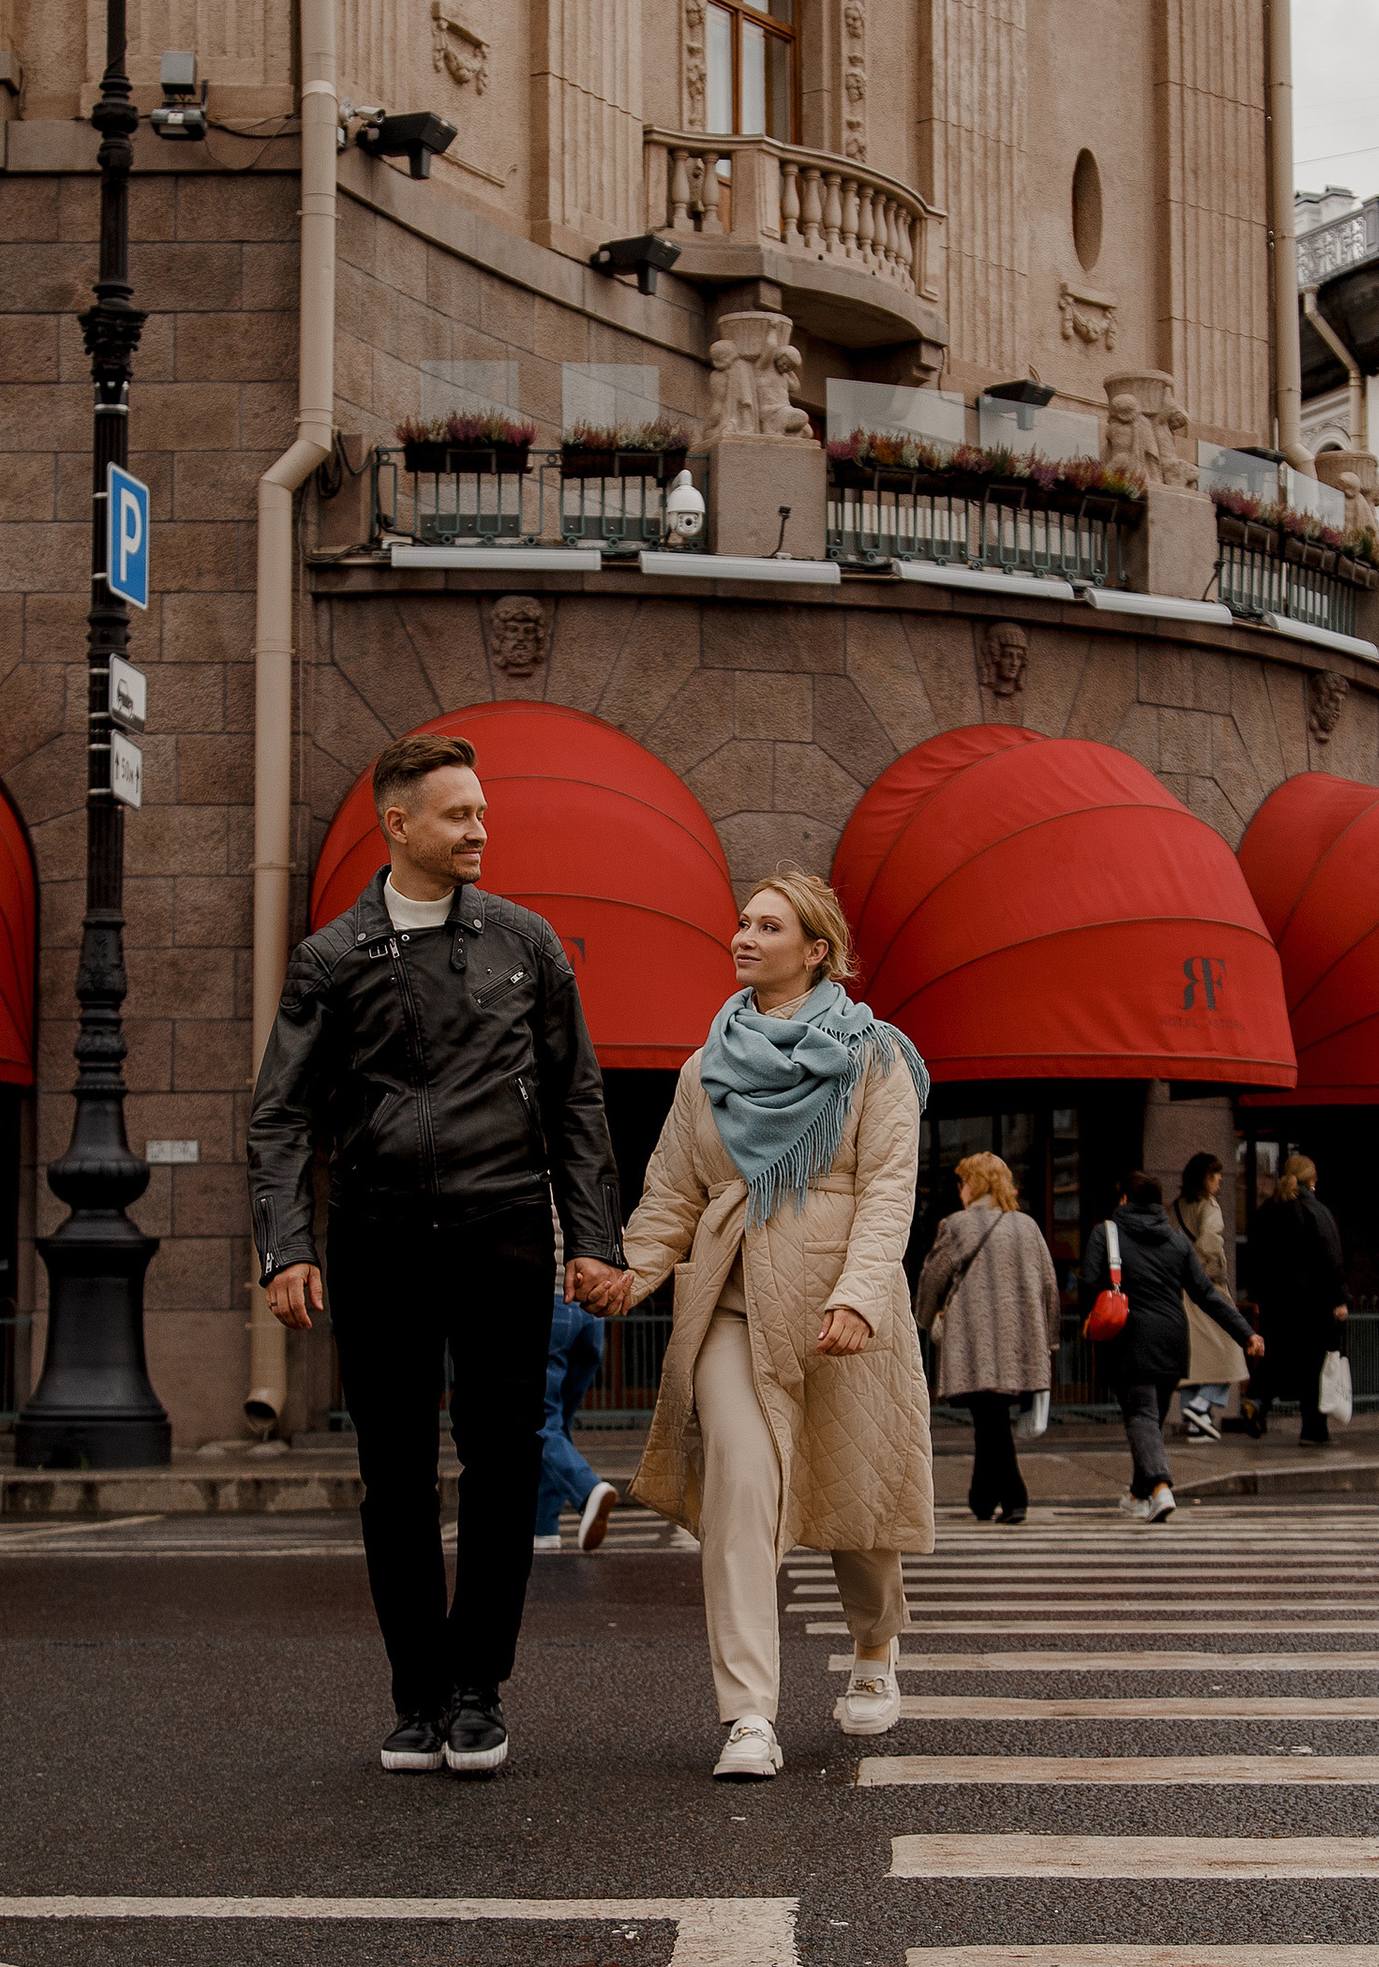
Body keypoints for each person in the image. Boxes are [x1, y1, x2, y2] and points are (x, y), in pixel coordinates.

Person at [247, 729, 629, 1779]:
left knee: (504, 1466)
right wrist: (285, 1246)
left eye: (482, 812)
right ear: (398, 822)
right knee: (395, 1475)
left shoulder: (525, 943)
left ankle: (478, 1691)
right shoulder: (332, 959)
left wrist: (592, 1242)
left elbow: (575, 1098)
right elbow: (279, 1117)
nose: (480, 830)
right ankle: (416, 1697)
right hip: (375, 1239)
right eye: (459, 815)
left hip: (503, 1228)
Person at [615, 871, 934, 1779]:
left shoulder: (876, 1059)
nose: (744, 938)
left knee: (857, 1506)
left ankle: (875, 1649)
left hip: (840, 1304)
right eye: (742, 923)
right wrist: (627, 1276)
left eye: (769, 925)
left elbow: (885, 1190)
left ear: (817, 950)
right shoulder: (704, 1066)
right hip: (728, 1298)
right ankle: (748, 1715)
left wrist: (860, 1296)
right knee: (740, 1491)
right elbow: (672, 1192)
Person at [1096, 1168, 1262, 1522]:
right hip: (1174, 1342)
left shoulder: (1106, 1234)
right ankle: (1137, 1494)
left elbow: (1088, 1284)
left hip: (1129, 1339)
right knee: (1149, 1420)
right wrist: (1245, 1333)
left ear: (1124, 1198)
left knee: (1140, 1416)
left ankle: (1160, 1487)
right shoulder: (1176, 1242)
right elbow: (1206, 1294)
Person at [915, 1149, 1063, 1524]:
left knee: (990, 1416)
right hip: (1019, 1339)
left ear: (974, 1184)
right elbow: (1049, 1285)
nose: (960, 1189)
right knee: (990, 1417)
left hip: (975, 1338)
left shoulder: (957, 1225)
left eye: (963, 1182)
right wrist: (1050, 1337)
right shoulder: (1027, 1226)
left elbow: (933, 1277)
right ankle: (981, 1498)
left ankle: (1015, 1497)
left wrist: (921, 1318)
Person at [1243, 1153, 1346, 1447]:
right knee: (1313, 1366)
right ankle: (1313, 1430)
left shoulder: (1265, 1212)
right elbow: (1331, 1258)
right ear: (1311, 1180)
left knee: (1275, 1358)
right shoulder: (1316, 1212)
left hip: (1276, 1304)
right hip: (1313, 1305)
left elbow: (1254, 1259)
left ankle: (1257, 1401)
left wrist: (1258, 1296)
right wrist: (1340, 1298)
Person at [534, 1292, 620, 1555]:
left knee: (536, 1419)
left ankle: (588, 1489)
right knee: (556, 1425)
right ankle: (544, 1527)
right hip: (591, 1314)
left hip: (548, 1306)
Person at [1170, 1150, 1247, 1439]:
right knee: (1232, 1351)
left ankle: (1196, 1424)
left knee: (1195, 1362)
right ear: (1204, 1178)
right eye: (1214, 1176)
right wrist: (1215, 1273)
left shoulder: (1175, 1207)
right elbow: (1211, 1242)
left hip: (1179, 1290)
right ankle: (1202, 1405)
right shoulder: (1209, 1207)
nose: (1218, 1182)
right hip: (1206, 1289)